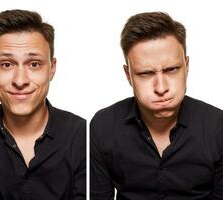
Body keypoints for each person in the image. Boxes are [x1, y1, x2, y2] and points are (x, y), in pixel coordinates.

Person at [0, 9, 86, 200]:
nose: (20, 80)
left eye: (34, 64)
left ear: (52, 68)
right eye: (7, 64)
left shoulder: (82, 135)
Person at [90, 11, 223, 200]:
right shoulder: (102, 127)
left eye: (171, 69)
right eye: (145, 73)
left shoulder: (218, 126)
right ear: (128, 75)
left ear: (187, 66)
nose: (161, 88)